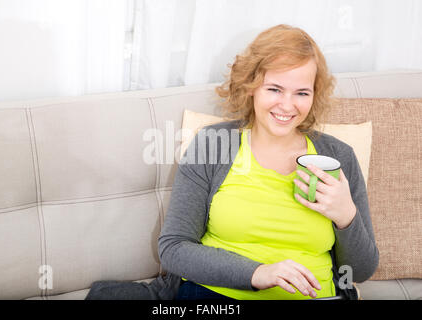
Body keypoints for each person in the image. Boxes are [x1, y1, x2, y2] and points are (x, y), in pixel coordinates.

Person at [157, 24, 379, 300]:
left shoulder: (338, 156)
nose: (287, 106)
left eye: (301, 93)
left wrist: (346, 216)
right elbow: (174, 248)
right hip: (218, 297)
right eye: (274, 89)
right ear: (251, 86)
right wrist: (259, 273)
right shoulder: (214, 143)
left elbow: (359, 271)